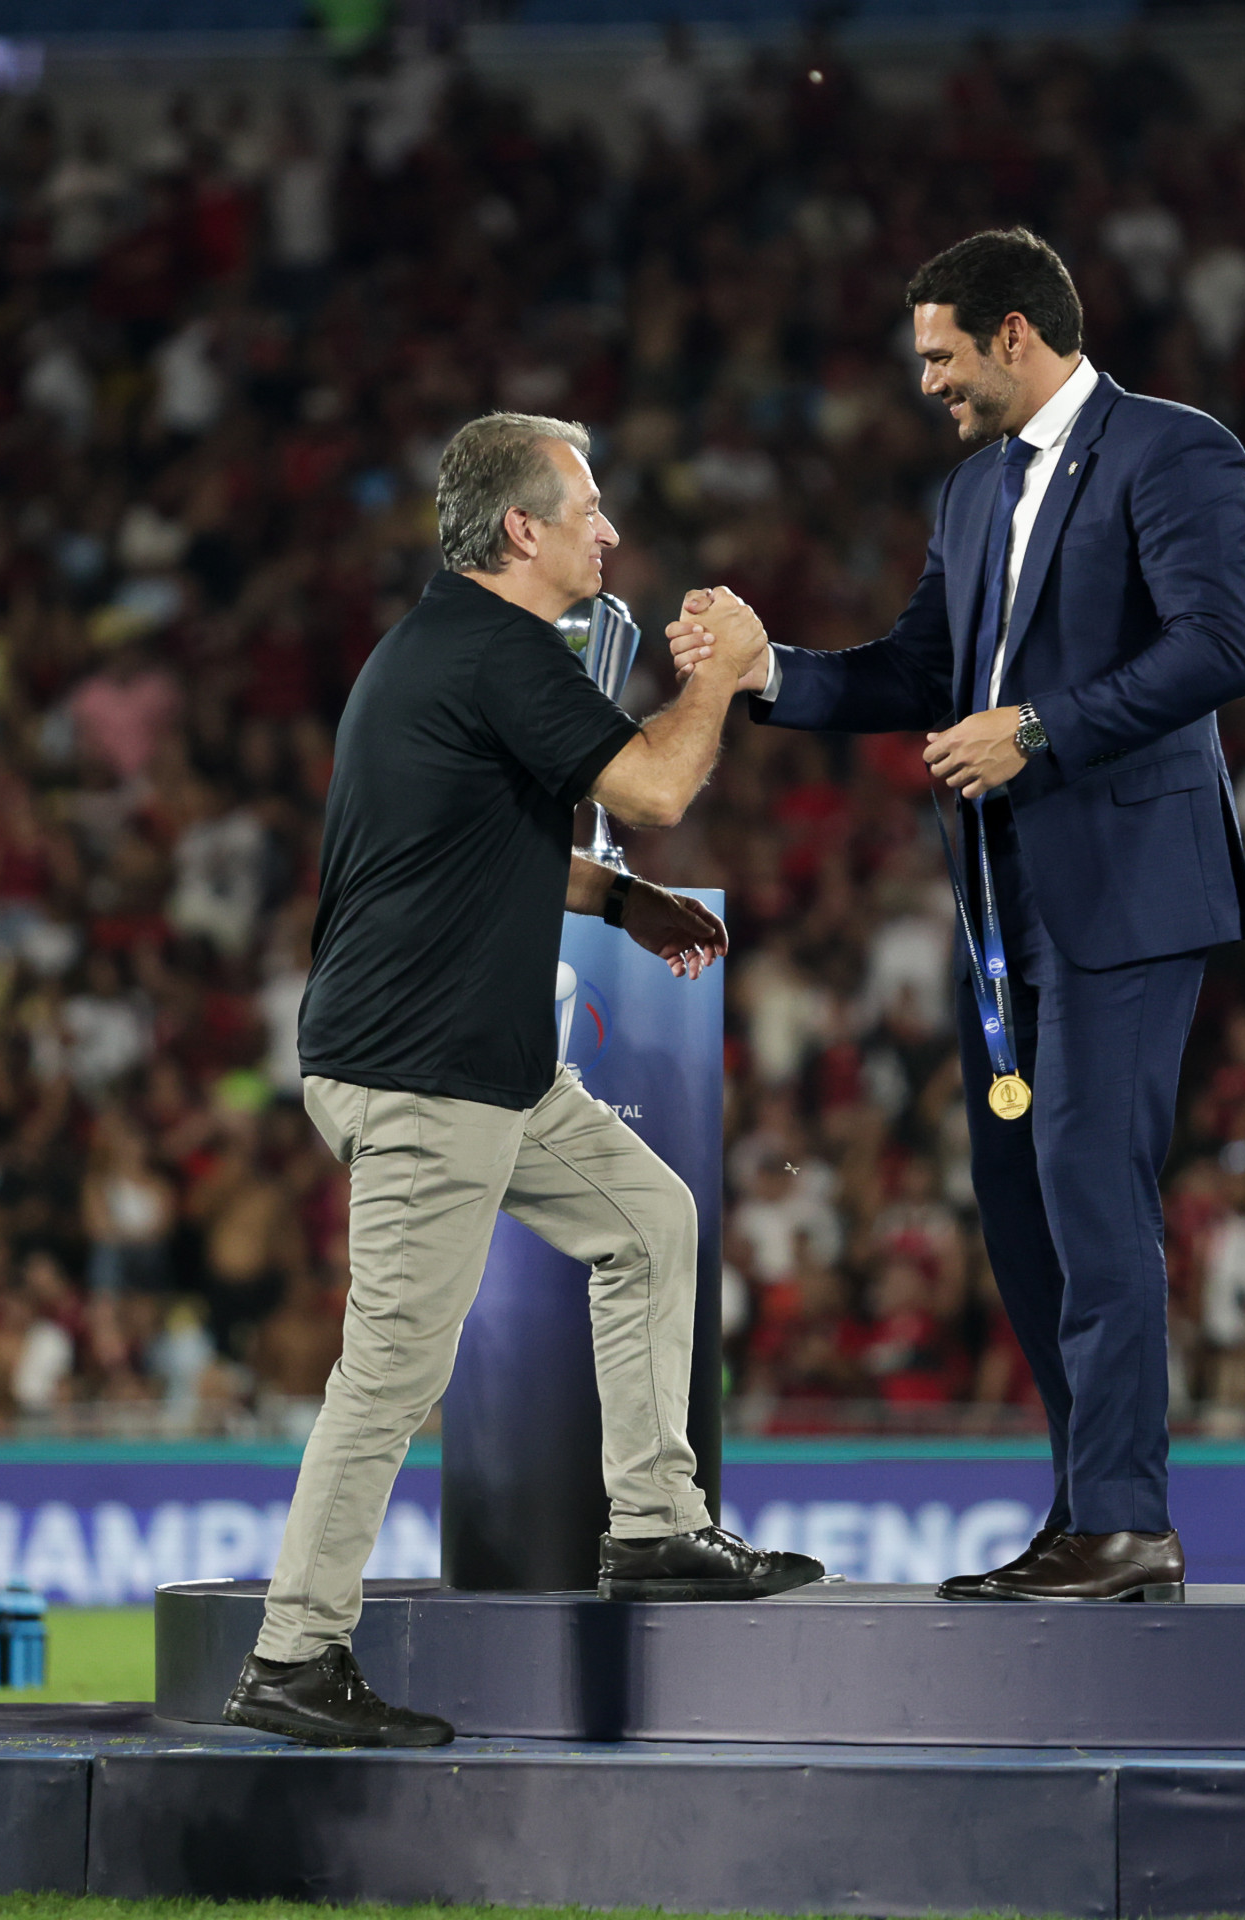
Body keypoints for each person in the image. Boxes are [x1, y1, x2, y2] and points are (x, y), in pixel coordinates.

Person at [671, 229, 1245, 1600]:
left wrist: (1038, 729)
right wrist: (773, 673)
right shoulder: (970, 492)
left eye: (942, 354)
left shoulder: (1176, 451)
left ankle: (1129, 1522)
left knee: (1086, 1182)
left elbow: (1218, 645)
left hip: (1125, 889)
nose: (928, 380)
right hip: (1001, 906)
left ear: (1014, 332)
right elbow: (917, 671)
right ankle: (1084, 1515)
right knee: (1020, 1205)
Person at [226, 411, 822, 1750]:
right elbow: (662, 782)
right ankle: (294, 1655)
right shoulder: (498, 651)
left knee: (651, 1220)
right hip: (424, 1071)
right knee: (389, 1374)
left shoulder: (441, 650)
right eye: (590, 506)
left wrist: (616, 904)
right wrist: (722, 673)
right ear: (524, 531)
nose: (611, 529)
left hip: (474, 1063)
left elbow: (473, 847)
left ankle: (658, 1527)